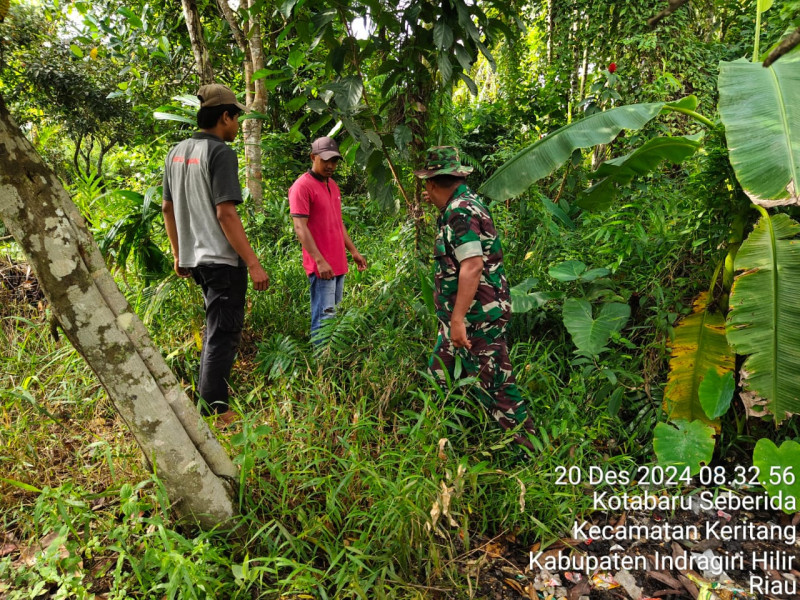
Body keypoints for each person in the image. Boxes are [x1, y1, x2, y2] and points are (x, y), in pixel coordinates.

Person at [415, 146, 537, 451]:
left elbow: (472, 265)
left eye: (427, 185)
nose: (426, 192)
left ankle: (531, 454)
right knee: (437, 377)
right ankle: (429, 445)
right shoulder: (464, 203)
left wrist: (457, 320)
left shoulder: (459, 212)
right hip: (461, 320)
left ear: (432, 182)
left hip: (476, 319)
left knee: (498, 390)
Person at [162, 83, 269, 423]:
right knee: (223, 334)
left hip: (196, 260)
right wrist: (253, 263)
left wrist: (179, 254)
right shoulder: (220, 153)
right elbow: (226, 213)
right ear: (225, 117)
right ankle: (214, 411)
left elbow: (167, 208)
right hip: (221, 260)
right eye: (236, 118)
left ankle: (209, 402)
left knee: (215, 329)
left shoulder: (176, 152)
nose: (237, 125)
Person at [289, 136, 367, 341]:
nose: (330, 166)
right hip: (322, 267)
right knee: (325, 319)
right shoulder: (302, 187)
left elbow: (338, 222)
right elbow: (300, 227)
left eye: (334, 161)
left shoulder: (332, 185)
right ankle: (321, 358)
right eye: (325, 160)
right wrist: (319, 261)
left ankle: (329, 357)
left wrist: (353, 251)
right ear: (312, 157)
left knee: (333, 319)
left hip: (338, 263)